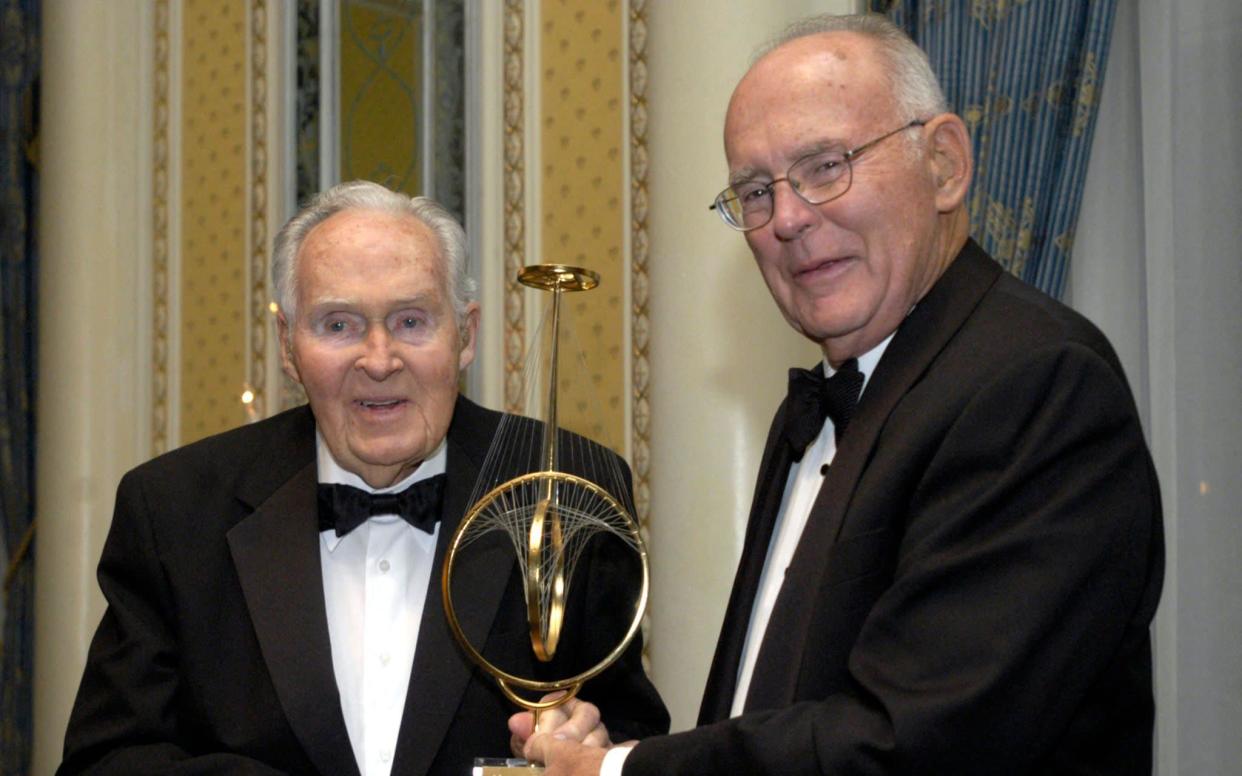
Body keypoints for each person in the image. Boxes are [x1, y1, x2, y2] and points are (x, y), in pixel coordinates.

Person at [519, 12, 1163, 776]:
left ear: (945, 165)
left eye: (827, 165)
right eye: (754, 191)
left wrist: (618, 773)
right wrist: (620, 753)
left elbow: (917, 745)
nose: (788, 218)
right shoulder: (827, 403)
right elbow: (782, 709)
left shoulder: (1038, 384)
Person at [57, 180, 668, 776]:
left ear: (467, 335)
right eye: (339, 325)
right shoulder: (174, 510)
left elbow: (633, 734)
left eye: (410, 321)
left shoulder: (569, 485)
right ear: (287, 345)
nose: (379, 361)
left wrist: (596, 748)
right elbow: (105, 759)